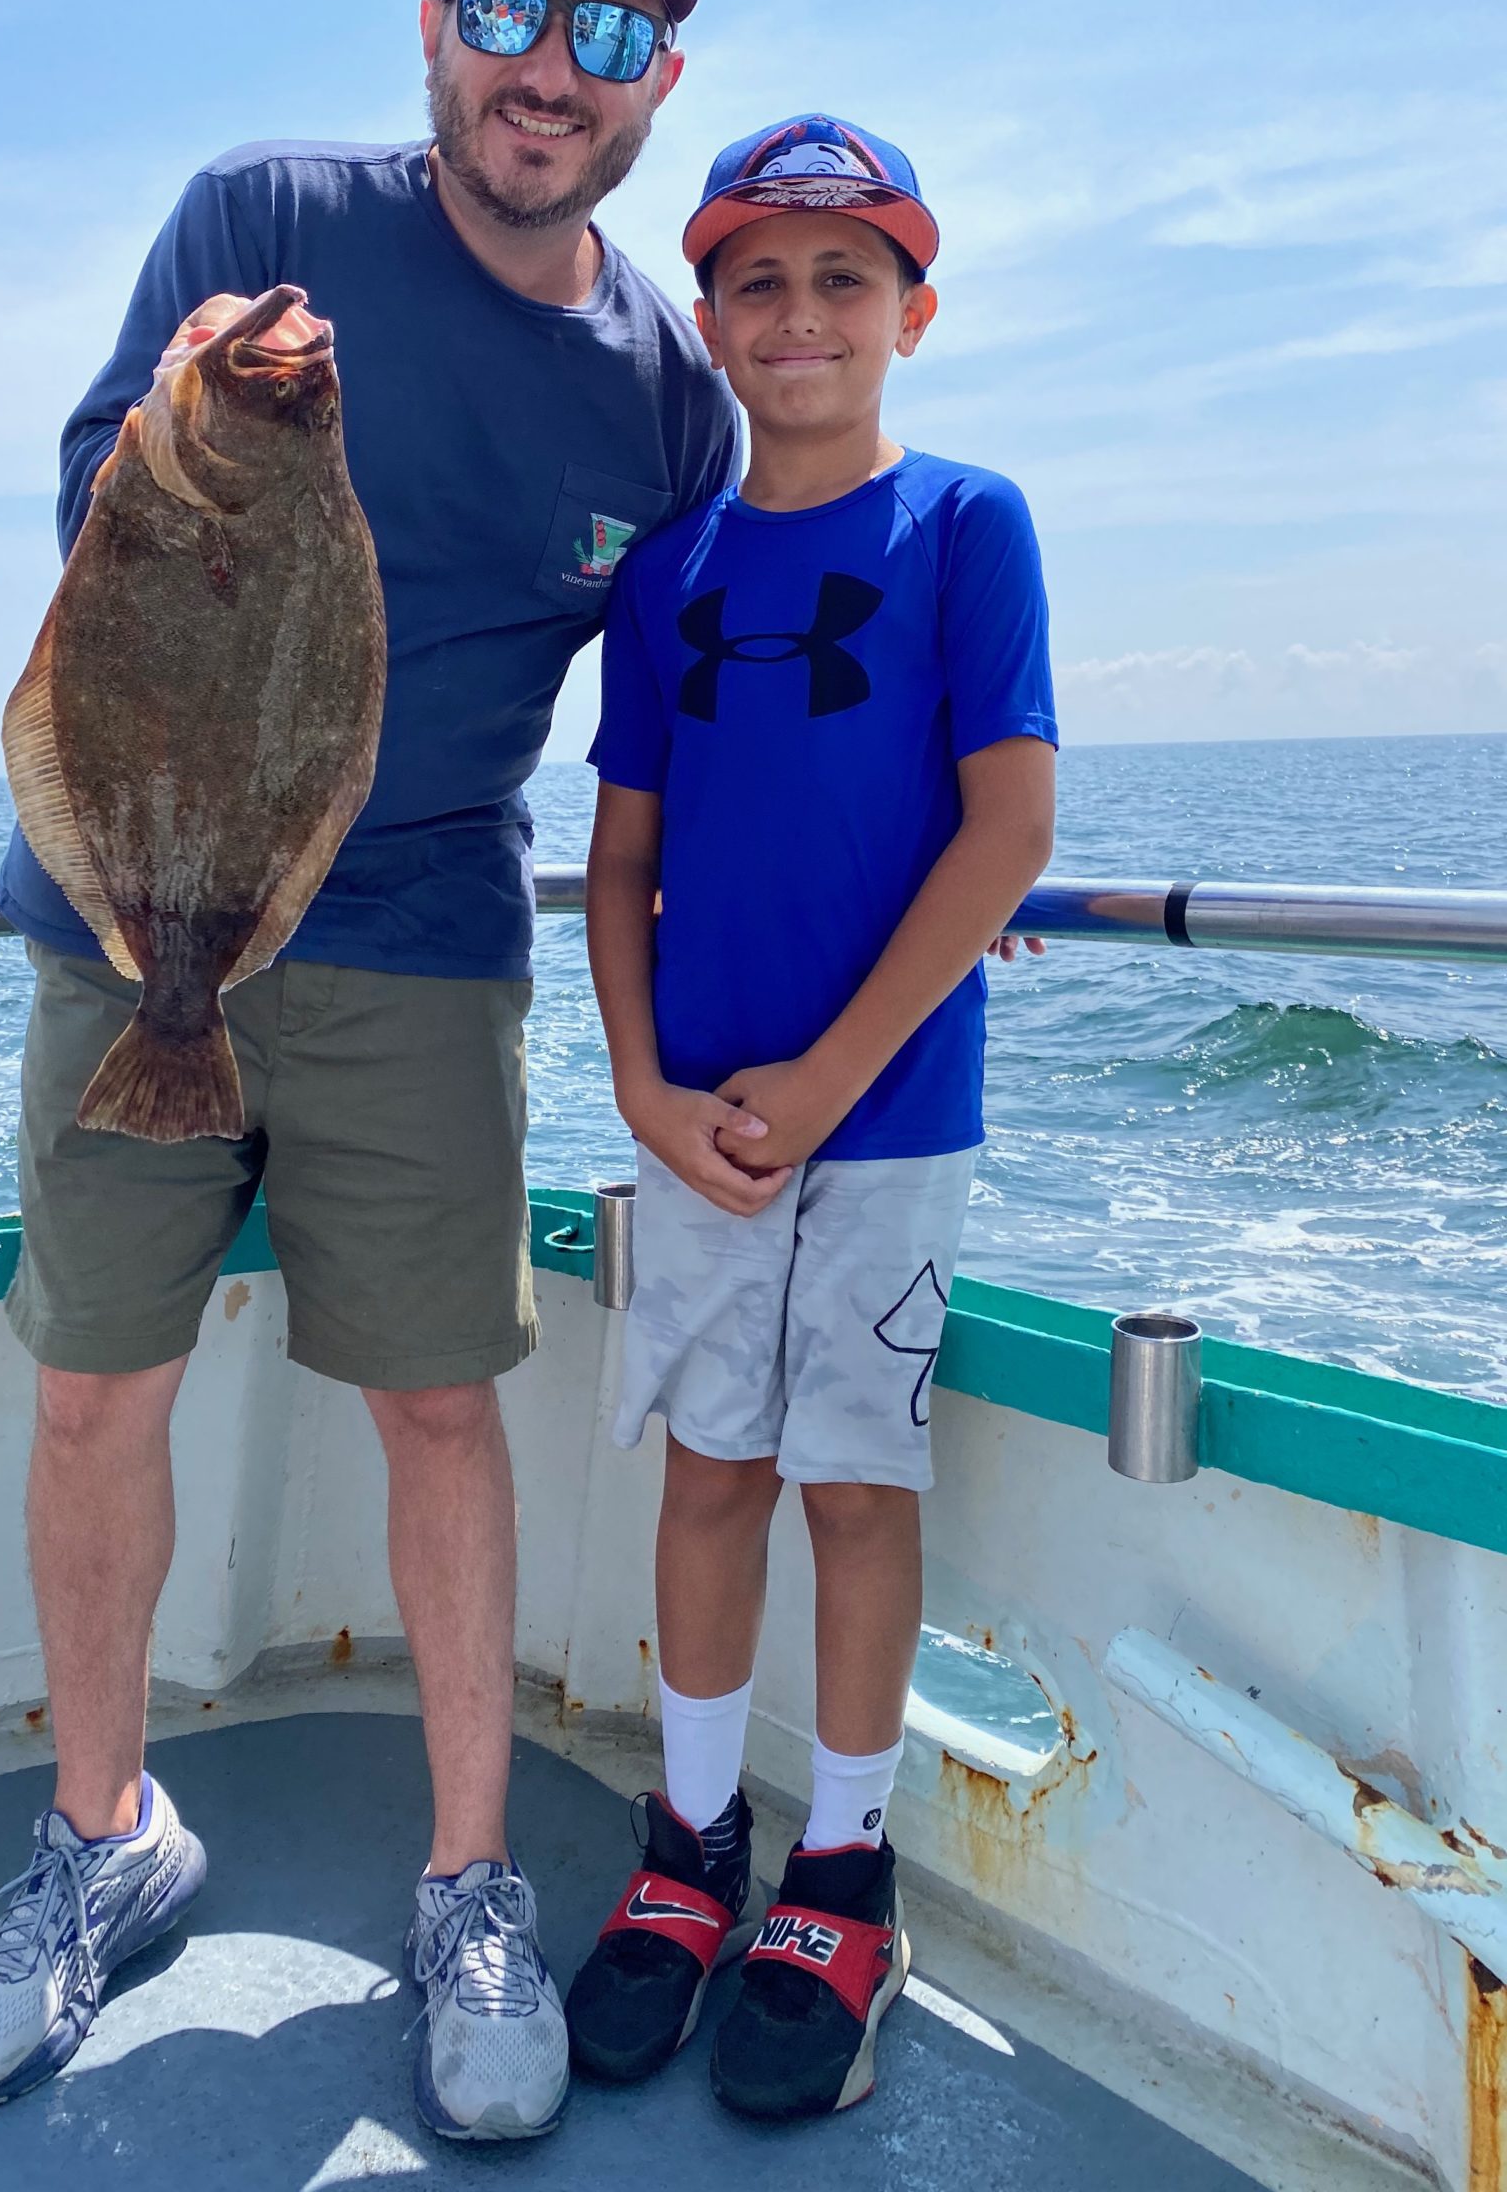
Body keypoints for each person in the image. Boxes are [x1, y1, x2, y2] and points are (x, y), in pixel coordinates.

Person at [0, 0, 740, 2140]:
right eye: (509, 9)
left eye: (605, 31)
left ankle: (469, 1882)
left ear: (657, 80)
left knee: (441, 1409)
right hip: (136, 909)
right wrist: (184, 423)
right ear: (435, 21)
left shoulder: (669, 399)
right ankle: (101, 1836)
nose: (548, 69)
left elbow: (694, 721)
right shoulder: (260, 219)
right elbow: (92, 499)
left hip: (423, 940)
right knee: (97, 1391)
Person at [565, 116, 1058, 2121]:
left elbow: (1009, 828)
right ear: (709, 320)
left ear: (912, 313)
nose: (800, 314)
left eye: (846, 278)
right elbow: (620, 863)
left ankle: (844, 1870)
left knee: (856, 1488)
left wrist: (836, 1077)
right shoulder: (666, 572)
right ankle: (694, 1846)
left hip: (893, 1121)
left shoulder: (970, 523)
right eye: (757, 280)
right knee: (711, 1476)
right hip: (695, 1125)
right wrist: (640, 1086)